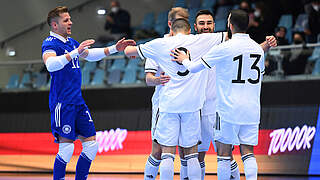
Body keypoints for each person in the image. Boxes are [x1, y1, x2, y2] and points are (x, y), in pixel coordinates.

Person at [125, 18, 229, 180]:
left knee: (167, 154)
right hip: (192, 107)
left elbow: (128, 52)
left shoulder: (160, 44)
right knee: (192, 155)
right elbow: (230, 36)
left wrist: (130, 50)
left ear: (171, 31)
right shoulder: (201, 40)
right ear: (190, 30)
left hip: (169, 106)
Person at [41, 6, 135, 180]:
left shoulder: (70, 42)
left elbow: (90, 55)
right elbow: (51, 65)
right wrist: (75, 52)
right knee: (67, 149)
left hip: (77, 102)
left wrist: (115, 48)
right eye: (66, 20)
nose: (71, 22)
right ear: (55, 25)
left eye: (70, 19)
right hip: (63, 103)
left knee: (91, 146)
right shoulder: (49, 43)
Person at [171, 9, 266, 180]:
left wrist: (184, 58)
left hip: (226, 108)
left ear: (229, 25)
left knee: (223, 155)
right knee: (248, 154)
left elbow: (193, 67)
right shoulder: (258, 50)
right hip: (252, 109)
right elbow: (261, 72)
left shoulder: (224, 47)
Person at [143, 7, 190, 180]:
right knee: (158, 149)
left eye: (186, 20)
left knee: (187, 151)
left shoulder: (193, 43)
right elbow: (148, 78)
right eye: (180, 20)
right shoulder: (158, 45)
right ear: (170, 24)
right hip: (164, 104)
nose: (183, 23)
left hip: (188, 105)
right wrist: (158, 79)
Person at [193, 9, 240, 180]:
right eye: (202, 23)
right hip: (195, 108)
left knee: (226, 154)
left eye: (209, 23)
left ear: (214, 25)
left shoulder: (224, 41)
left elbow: (246, 46)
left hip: (217, 108)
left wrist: (266, 46)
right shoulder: (190, 42)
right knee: (197, 156)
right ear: (194, 26)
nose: (206, 27)